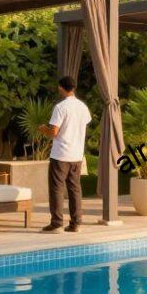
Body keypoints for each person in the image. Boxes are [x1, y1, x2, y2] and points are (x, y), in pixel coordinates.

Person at [37, 75, 91, 233]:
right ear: (74, 88)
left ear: (61, 87)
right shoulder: (82, 107)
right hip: (77, 154)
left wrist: (43, 129)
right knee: (75, 189)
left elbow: (54, 132)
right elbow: (84, 124)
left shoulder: (60, 107)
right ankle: (75, 223)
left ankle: (56, 223)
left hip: (61, 154)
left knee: (56, 189)